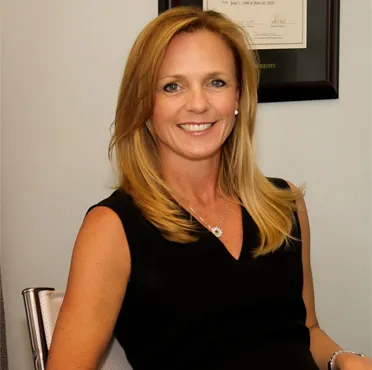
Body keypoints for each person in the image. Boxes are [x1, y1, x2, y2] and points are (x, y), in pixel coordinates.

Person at [46, 6, 371, 370]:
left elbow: (306, 329)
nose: (198, 104)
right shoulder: (112, 228)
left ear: (238, 98)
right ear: (145, 103)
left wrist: (346, 359)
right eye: (173, 86)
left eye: (216, 82)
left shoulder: (284, 205)